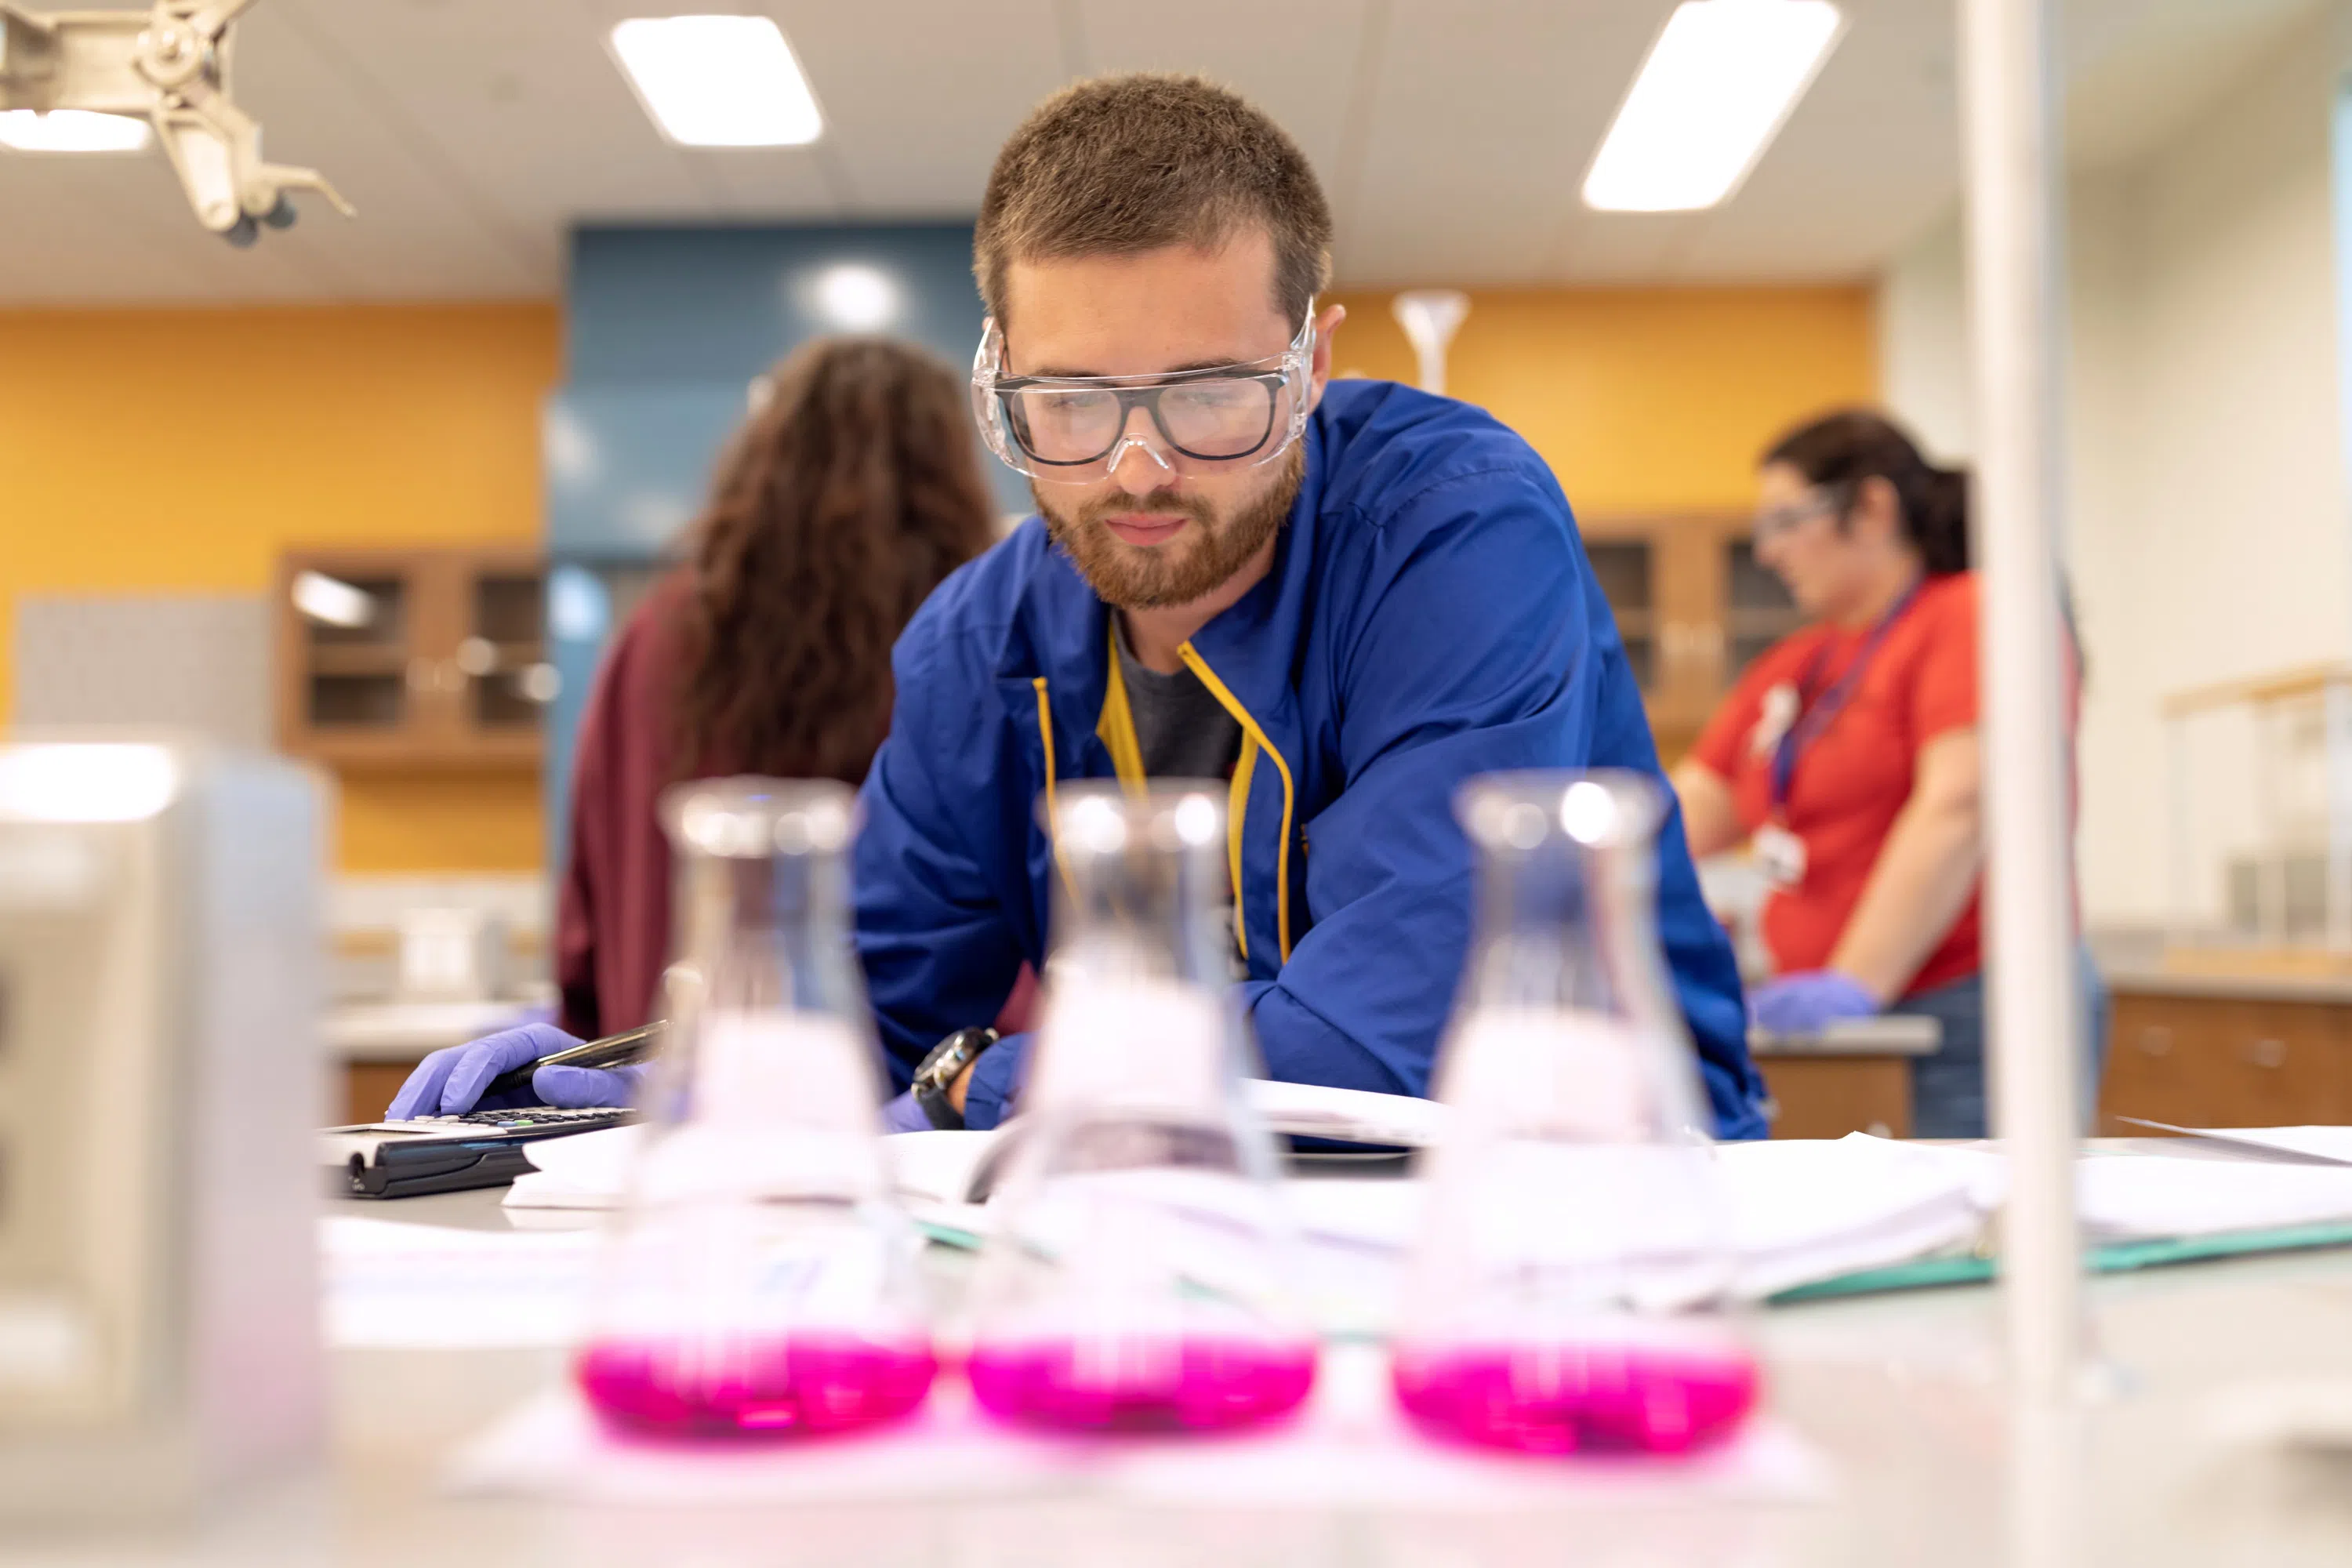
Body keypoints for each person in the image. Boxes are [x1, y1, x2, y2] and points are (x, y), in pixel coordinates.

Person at [397, 72, 1767, 1139]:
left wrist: (975, 1090)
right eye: (1070, 401)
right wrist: (618, 1084)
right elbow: (859, 1015)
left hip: (1594, 1201)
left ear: (1312, 362)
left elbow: (1377, 1042)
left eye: (1212, 391)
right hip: (1188, 1220)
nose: (1138, 467)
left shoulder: (1452, 532)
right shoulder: (974, 648)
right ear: (1000, 380)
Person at [389, 336, 997, 1118]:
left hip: (658, 1105)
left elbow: (589, 913)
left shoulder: (657, 637)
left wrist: (583, 1032)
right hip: (902, 1117)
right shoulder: (963, 640)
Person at [1671, 408, 2102, 1139]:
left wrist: (1855, 983)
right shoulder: (1796, 667)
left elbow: (1962, 804)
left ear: (1871, 508)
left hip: (1969, 1009)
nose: (1769, 552)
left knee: (1975, 1243)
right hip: (1847, 1024)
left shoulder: (1973, 614)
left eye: (1785, 521)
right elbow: (1679, 818)